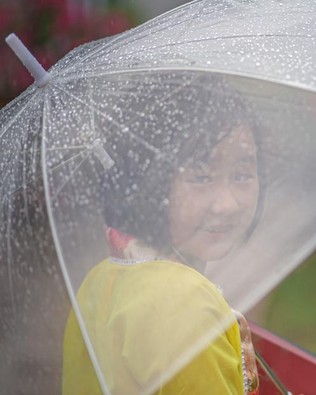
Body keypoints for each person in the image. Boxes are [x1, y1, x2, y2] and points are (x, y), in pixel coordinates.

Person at [62, 76, 263, 395]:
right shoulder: (185, 307)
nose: (227, 204)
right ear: (148, 182)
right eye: (201, 177)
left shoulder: (99, 281)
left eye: (242, 174)